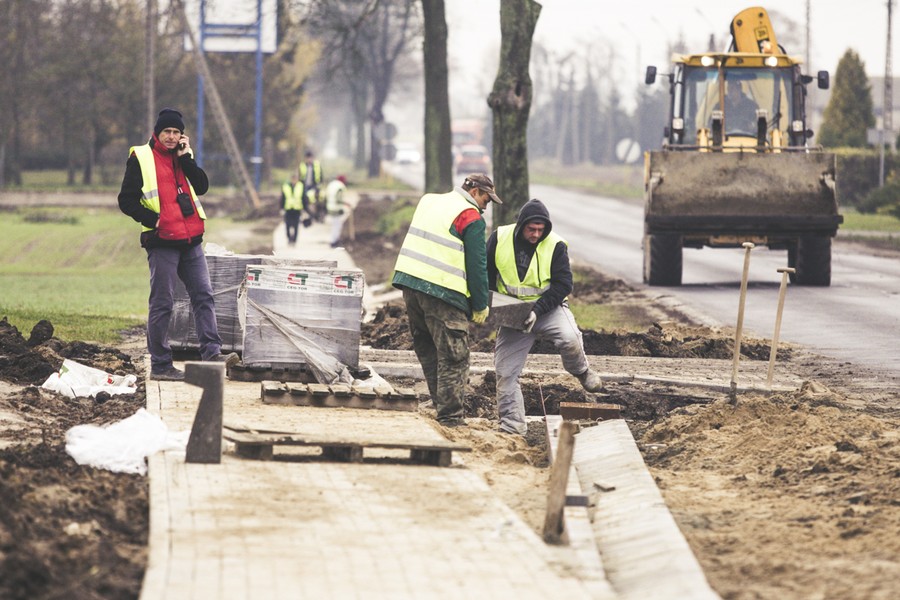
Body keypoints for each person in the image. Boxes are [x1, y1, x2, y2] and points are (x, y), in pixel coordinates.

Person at [117, 108, 237, 381]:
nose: (171, 137)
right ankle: (161, 365)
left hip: (191, 240)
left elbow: (202, 186)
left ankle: (212, 355)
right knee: (163, 303)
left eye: (176, 132)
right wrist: (153, 219)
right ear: (157, 132)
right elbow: (126, 200)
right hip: (162, 242)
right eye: (166, 132)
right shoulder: (141, 157)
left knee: (204, 296)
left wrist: (187, 158)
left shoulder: (183, 156)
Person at [486, 198, 604, 435]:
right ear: (521, 226)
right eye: (532, 229)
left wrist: (537, 310)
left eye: (541, 230)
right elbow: (485, 273)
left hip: (549, 309)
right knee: (505, 373)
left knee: (570, 338)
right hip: (514, 313)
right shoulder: (499, 238)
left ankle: (581, 371)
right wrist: (491, 306)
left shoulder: (556, 245)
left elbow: (563, 285)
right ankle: (512, 428)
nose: (536, 235)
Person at [391, 173, 501, 427]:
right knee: (454, 355)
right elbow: (477, 265)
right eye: (486, 199)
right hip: (443, 292)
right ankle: (451, 418)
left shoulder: (429, 201)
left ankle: (441, 406)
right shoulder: (470, 217)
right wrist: (480, 304)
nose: (486, 206)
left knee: (429, 350)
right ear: (474, 192)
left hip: (410, 284)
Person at [299, 150, 324, 222]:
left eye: (310, 158)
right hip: (305, 186)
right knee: (304, 200)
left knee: (317, 200)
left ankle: (318, 215)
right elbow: (300, 176)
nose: (309, 159)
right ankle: (309, 215)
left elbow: (320, 176)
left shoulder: (317, 165)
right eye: (308, 158)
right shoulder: (302, 165)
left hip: (314, 186)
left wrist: (319, 185)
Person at [325, 174, 349, 248]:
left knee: (334, 224)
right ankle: (334, 241)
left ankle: (333, 240)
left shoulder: (332, 184)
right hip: (336, 209)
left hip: (330, 207)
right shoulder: (340, 187)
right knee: (337, 225)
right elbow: (338, 199)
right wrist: (346, 204)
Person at [280, 172, 304, 244]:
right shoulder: (285, 186)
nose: (294, 180)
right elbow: (282, 198)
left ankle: (294, 240)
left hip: (297, 209)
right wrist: (281, 208)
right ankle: (289, 238)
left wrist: (305, 209)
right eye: (293, 179)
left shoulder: (301, 186)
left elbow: (303, 198)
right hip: (288, 208)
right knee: (287, 225)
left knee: (296, 225)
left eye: (295, 179)